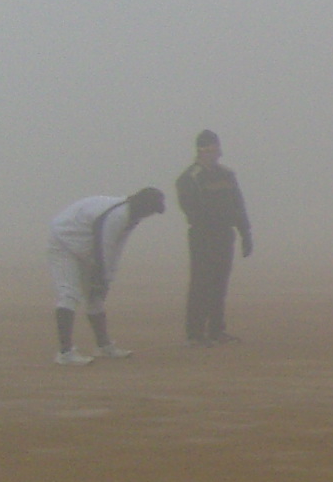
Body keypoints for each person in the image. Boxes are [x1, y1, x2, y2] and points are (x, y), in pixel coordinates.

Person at [47, 188, 168, 363]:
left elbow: (116, 248)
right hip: (63, 244)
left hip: (83, 246)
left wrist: (106, 278)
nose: (150, 214)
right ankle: (65, 353)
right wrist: (103, 277)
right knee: (69, 294)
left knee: (95, 297)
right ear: (142, 205)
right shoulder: (118, 215)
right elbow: (106, 247)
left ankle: (104, 346)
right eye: (151, 209)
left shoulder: (132, 216)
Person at [175, 130, 253, 344]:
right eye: (209, 149)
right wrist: (210, 225)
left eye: (216, 148)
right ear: (201, 150)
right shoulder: (190, 178)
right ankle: (195, 334)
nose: (214, 153)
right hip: (202, 236)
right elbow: (191, 209)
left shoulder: (227, 175)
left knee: (220, 282)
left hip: (224, 235)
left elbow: (238, 205)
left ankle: (217, 330)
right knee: (201, 283)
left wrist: (245, 233)